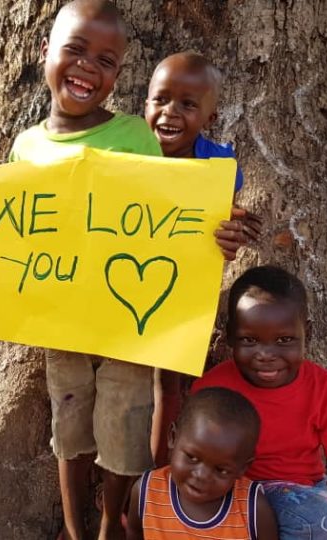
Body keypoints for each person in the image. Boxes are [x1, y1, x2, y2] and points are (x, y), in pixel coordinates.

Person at [0, 2, 169, 537]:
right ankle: (73, 527)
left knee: (124, 428)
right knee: (69, 426)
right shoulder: (27, 146)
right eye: (75, 50)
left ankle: (112, 520)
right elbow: (13, 233)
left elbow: (163, 219)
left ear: (118, 73)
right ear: (44, 54)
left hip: (125, 329)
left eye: (107, 60)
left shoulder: (137, 136)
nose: (89, 66)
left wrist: (215, 233)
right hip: (58, 324)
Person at [191, 266, 327, 540]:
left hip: (311, 494)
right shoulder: (212, 389)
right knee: (317, 523)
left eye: (284, 340)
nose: (266, 355)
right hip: (239, 496)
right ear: (229, 335)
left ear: (307, 331)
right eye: (249, 340)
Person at [143, 51, 262, 467]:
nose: (170, 113)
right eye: (160, 100)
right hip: (124, 287)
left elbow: (219, 230)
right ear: (145, 103)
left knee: (168, 386)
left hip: (182, 294)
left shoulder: (220, 168)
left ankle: (157, 478)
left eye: (188, 105)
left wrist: (228, 238)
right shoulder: (126, 156)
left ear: (209, 118)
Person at [126, 387, 278, 540]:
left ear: (242, 468)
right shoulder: (146, 492)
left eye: (220, 470)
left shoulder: (253, 509)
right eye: (192, 457)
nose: (202, 475)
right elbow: (135, 533)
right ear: (173, 437)